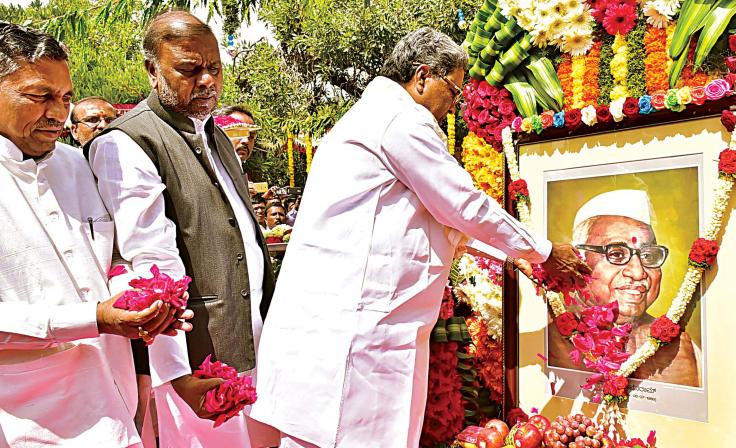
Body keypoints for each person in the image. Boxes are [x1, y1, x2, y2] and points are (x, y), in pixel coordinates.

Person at [249, 27, 589, 447]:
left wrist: (516, 256)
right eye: (454, 91)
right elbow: (462, 204)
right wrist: (544, 251)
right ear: (423, 76)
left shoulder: (375, 117)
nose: (453, 107)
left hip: (348, 328)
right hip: (358, 331)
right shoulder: (401, 120)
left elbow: (441, 217)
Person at [86, 11, 276, 448]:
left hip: (255, 342)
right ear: (153, 71)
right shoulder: (126, 142)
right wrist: (179, 376)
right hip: (198, 364)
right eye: (190, 70)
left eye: (214, 68)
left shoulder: (217, 134)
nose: (207, 81)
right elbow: (151, 264)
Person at [0, 22, 190, 447]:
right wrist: (94, 319)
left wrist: (141, 297)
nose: (58, 112)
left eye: (65, 97)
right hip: (27, 422)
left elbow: (108, 261)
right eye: (40, 96)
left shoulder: (75, 164)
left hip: (114, 405)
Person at [547, 189, 701, 387]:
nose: (638, 273)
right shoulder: (547, 338)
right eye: (617, 254)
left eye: (648, 256)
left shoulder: (680, 349)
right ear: (578, 260)